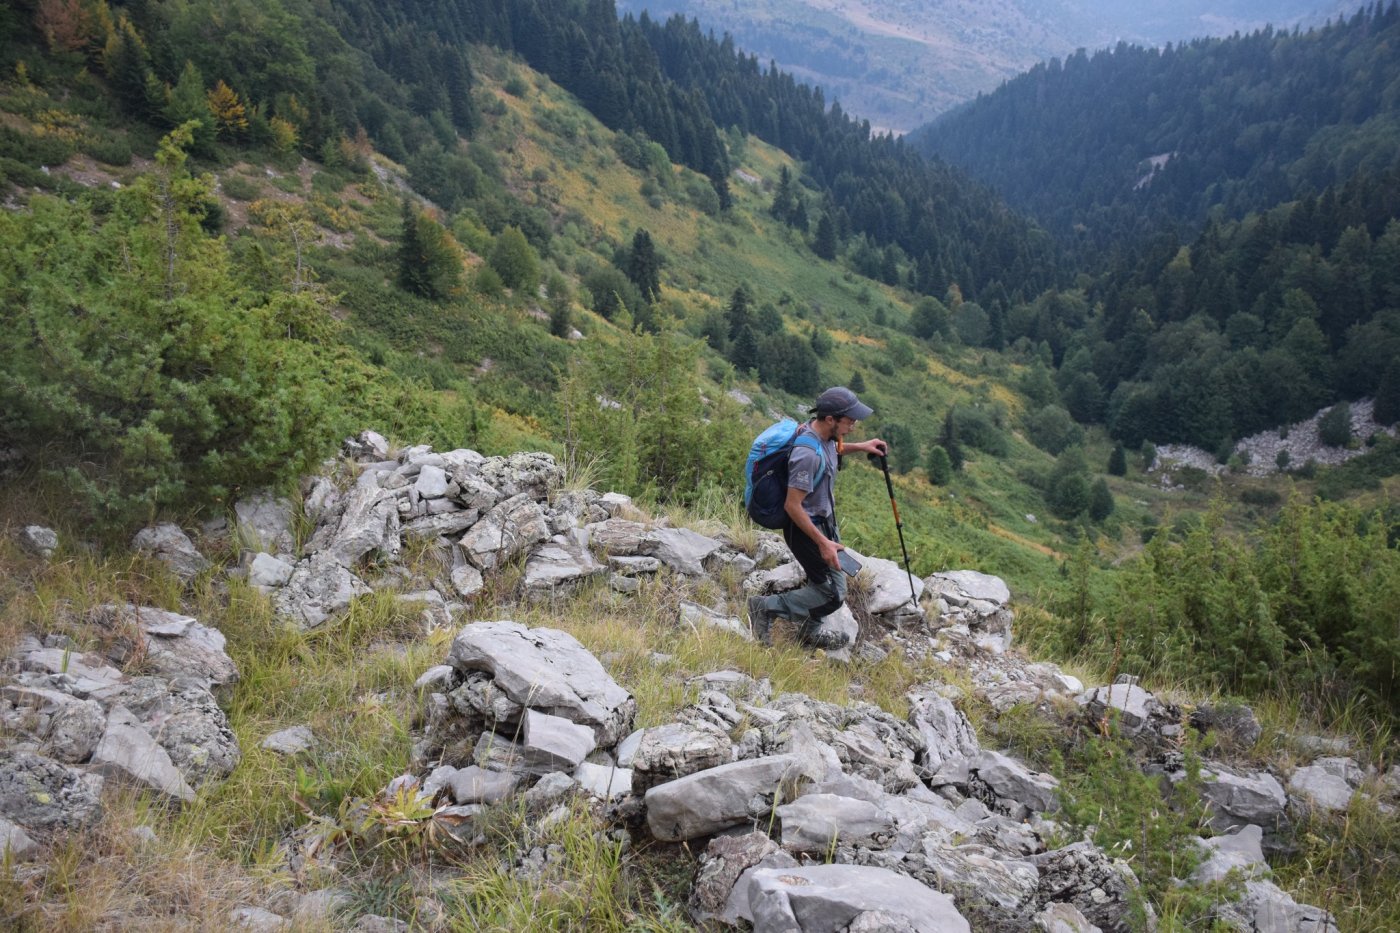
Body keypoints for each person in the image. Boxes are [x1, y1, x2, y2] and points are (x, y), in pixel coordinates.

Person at [748, 386, 887, 649]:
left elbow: (831, 451)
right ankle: (764, 608)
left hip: (825, 523)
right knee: (833, 594)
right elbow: (792, 506)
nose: (854, 425)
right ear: (830, 419)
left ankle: (809, 632)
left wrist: (862, 447)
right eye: (850, 420)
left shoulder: (823, 438)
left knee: (824, 581)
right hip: (805, 530)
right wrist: (823, 543)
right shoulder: (806, 454)